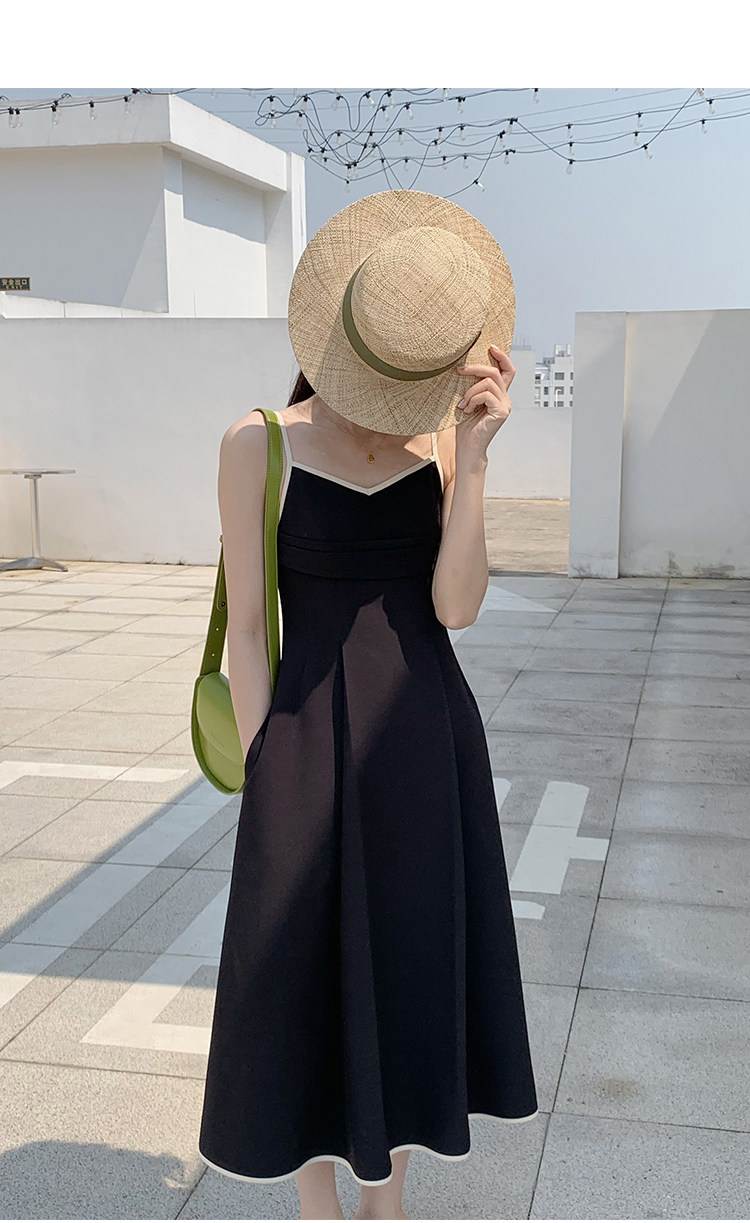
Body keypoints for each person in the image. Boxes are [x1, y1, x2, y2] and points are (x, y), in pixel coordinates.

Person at [198, 190, 539, 1220]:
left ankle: (386, 1190)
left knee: (407, 954)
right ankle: (316, 1194)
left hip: (424, 742)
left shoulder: (441, 447)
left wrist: (475, 460)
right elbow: (248, 628)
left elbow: (455, 607)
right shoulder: (258, 442)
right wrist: (265, 761)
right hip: (301, 739)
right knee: (294, 961)